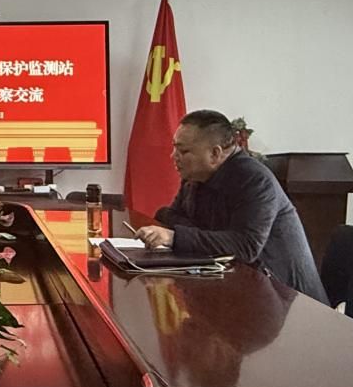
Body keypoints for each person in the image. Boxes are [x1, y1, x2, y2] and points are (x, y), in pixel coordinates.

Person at [135, 109, 328, 303]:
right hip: (234, 287)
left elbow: (245, 247)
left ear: (215, 153)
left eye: (183, 151)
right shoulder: (195, 176)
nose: (173, 156)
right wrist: (196, 234)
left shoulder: (254, 179)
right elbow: (170, 216)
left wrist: (175, 237)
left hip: (288, 300)